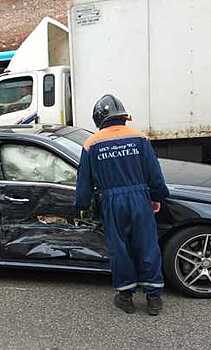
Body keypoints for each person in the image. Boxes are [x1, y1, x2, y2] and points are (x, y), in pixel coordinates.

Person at [75, 95, 170, 316]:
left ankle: (125, 297)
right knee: (147, 246)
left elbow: (84, 181)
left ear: (99, 118)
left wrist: (82, 205)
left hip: (111, 201)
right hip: (140, 199)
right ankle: (153, 298)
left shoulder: (91, 144)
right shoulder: (140, 138)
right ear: (123, 116)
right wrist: (157, 197)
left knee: (120, 249)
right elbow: (154, 174)